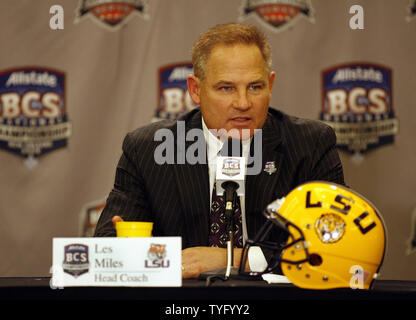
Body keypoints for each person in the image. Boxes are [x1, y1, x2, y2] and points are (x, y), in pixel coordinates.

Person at [93, 23, 345, 279]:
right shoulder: (149, 149)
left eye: (255, 87)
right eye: (226, 88)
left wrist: (235, 258)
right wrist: (133, 253)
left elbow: (337, 250)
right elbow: (109, 245)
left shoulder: (310, 145)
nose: (243, 103)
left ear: (270, 85)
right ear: (195, 90)